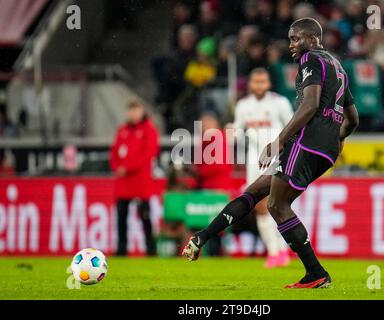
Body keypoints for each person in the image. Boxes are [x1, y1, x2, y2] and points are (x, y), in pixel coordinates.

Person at [183, 18, 359, 289]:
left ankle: (316, 273)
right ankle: (202, 238)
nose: (291, 45)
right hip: (325, 150)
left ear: (312, 38)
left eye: (295, 38)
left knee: (276, 205)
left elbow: (309, 105)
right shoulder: (338, 67)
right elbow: (353, 119)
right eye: (290, 39)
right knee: (255, 191)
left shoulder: (310, 59)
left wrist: (279, 140)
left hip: (306, 143)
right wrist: (337, 139)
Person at [233, 68, 293, 268]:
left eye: (263, 81)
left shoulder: (279, 103)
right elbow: (238, 130)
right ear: (251, 84)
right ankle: (278, 252)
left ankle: (278, 251)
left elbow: (292, 128)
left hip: (276, 159)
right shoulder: (243, 106)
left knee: (273, 204)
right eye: (256, 82)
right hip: (253, 162)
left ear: (268, 84)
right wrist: (231, 133)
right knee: (260, 207)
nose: (259, 85)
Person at [110, 100, 160, 256]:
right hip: (124, 183)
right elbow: (114, 152)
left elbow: (149, 154)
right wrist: (117, 166)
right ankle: (121, 249)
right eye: (130, 111)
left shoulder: (149, 130)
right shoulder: (122, 130)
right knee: (121, 218)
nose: (133, 114)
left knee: (145, 218)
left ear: (142, 111)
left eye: (135, 110)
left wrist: (127, 167)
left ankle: (151, 250)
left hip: (140, 182)